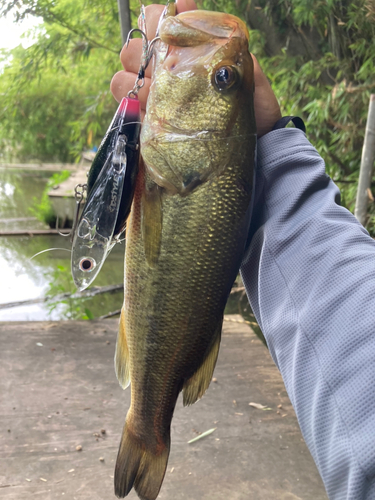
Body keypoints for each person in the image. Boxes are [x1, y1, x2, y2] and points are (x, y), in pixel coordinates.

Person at [111, 2, 375, 498]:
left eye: (222, 79)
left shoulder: (178, 169)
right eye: (226, 79)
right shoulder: (183, 166)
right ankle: (148, 423)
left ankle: (147, 428)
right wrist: (272, 146)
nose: (221, 70)